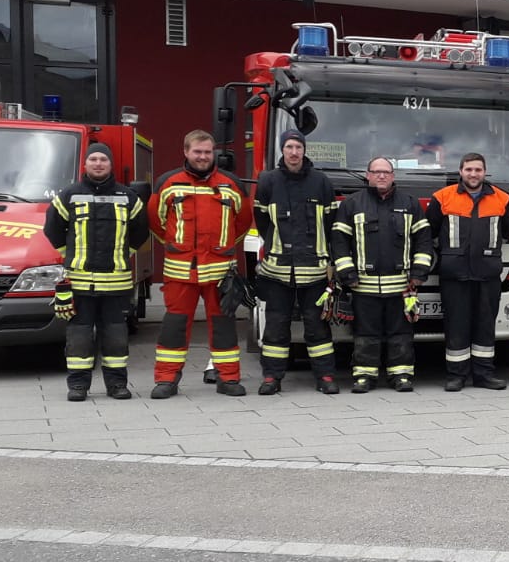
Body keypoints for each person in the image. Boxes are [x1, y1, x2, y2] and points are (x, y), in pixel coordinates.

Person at [44, 141, 150, 402]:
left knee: (116, 336)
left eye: (103, 159)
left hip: (116, 283)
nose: (98, 164)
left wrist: (124, 254)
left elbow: (141, 231)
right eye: (94, 159)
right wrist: (69, 254)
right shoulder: (69, 195)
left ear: (111, 164)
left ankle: (117, 385)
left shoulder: (128, 197)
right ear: (85, 164)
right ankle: (78, 386)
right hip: (80, 283)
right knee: (79, 335)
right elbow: (52, 228)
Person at [149, 130, 251, 398]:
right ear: (186, 152)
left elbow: (242, 222)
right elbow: (156, 222)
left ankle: (228, 378)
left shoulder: (231, 184)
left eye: (208, 152)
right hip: (180, 272)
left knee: (223, 326)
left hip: (220, 273)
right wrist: (177, 246)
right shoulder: (168, 183)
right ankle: (166, 380)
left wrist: (224, 247)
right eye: (198, 151)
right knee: (174, 327)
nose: (203, 157)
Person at [331, 157, 434, 392]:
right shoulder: (352, 204)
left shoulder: (409, 203)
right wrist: (347, 273)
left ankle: (401, 375)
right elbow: (339, 241)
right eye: (376, 172)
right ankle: (364, 376)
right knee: (365, 333)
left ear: (393, 176)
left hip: (401, 286)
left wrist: (419, 272)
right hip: (363, 286)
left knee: (401, 333)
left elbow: (423, 240)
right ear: (367, 175)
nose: (381, 176)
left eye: (386, 172)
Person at [253, 128, 339, 396]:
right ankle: (271, 377)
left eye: (298, 147)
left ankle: (325, 376)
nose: (294, 152)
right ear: (282, 150)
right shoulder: (268, 181)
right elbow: (262, 221)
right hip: (278, 272)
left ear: (304, 150)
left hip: (314, 271)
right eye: (289, 147)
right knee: (276, 326)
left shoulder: (321, 182)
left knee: (317, 326)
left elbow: (331, 224)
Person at [427, 152, 509, 392]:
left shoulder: (501, 199)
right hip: (454, 275)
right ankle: (456, 375)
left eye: (478, 170)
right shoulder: (442, 198)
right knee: (456, 325)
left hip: (488, 274)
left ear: (484, 172)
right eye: (469, 169)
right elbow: (430, 232)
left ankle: (484, 375)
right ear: (460, 171)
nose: (473, 174)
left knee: (485, 325)